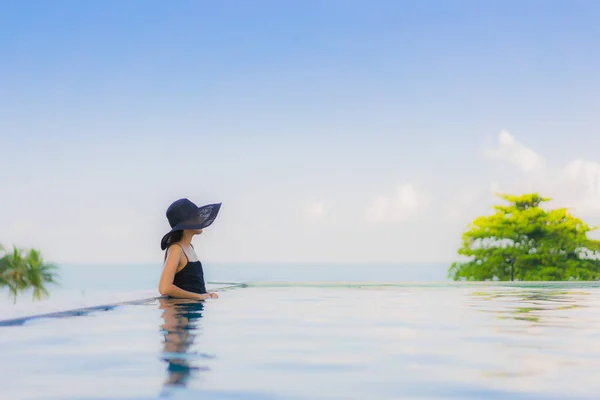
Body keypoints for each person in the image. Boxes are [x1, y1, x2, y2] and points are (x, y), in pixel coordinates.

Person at [158, 198, 222, 300]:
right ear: (186, 223)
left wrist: (207, 294)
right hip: (179, 313)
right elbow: (164, 288)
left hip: (192, 312)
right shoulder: (176, 250)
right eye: (197, 216)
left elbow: (192, 286)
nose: (201, 219)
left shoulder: (189, 247)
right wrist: (199, 296)